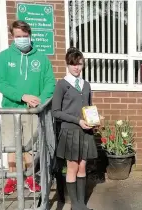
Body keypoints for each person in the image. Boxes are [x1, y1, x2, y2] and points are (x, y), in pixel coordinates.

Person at [0, 20, 55, 194]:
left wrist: (40, 99)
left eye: (25, 36)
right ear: (12, 36)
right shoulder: (4, 57)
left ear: (30, 36)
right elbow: (1, 83)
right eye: (18, 36)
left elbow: (50, 83)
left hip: (32, 111)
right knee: (12, 146)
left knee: (30, 146)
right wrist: (21, 96)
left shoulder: (41, 58)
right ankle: (13, 179)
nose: (22, 39)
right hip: (10, 110)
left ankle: (30, 177)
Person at [52, 47, 97, 210]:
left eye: (79, 64)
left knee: (83, 166)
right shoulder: (62, 85)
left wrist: (94, 119)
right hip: (70, 131)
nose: (76, 67)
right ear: (67, 65)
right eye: (73, 64)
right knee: (72, 167)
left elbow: (88, 107)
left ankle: (81, 204)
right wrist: (77, 121)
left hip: (85, 131)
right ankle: (75, 205)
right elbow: (56, 112)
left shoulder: (86, 85)